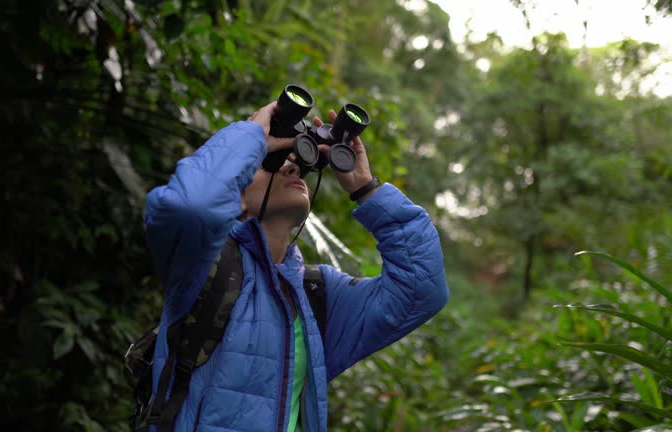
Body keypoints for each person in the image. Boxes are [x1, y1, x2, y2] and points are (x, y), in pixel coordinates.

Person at [143, 100, 449, 431]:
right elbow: (190, 205)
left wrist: (365, 187)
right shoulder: (202, 262)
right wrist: (253, 135)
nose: (292, 168)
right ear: (236, 196)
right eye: (271, 163)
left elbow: (422, 289)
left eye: (297, 163)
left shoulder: (316, 295)